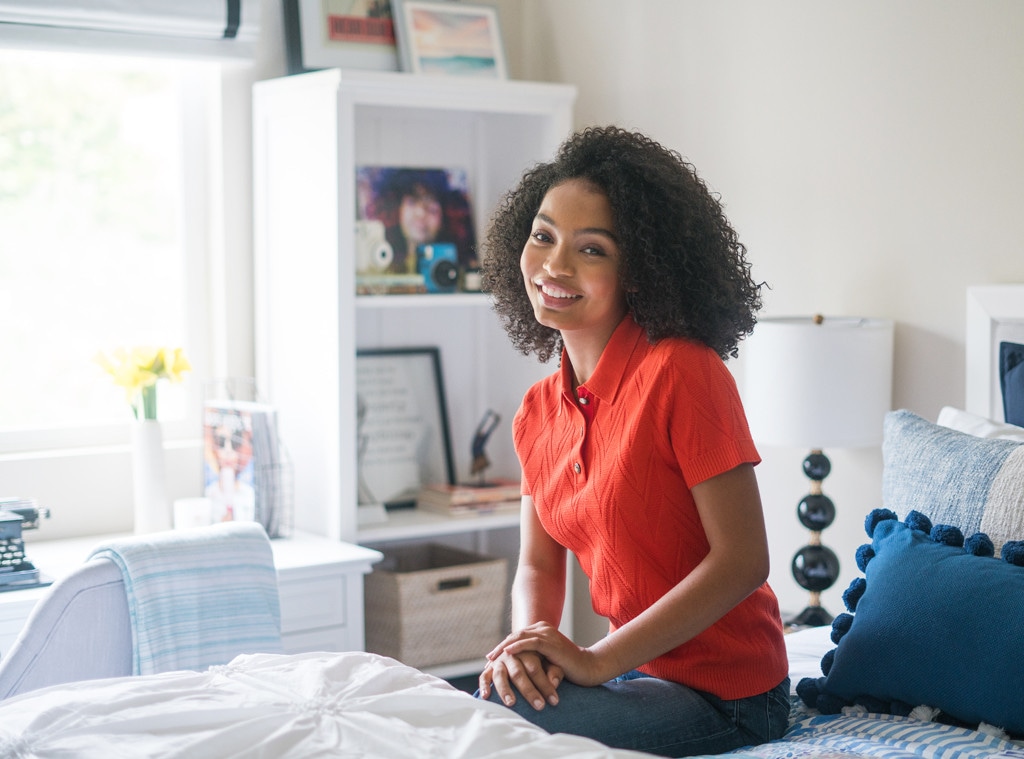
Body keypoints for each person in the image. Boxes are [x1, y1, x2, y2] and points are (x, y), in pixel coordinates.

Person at [476, 126, 789, 757]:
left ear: (640, 270)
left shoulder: (684, 373)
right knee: (496, 707)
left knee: (508, 735)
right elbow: (538, 564)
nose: (555, 265)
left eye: (592, 250)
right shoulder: (537, 413)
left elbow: (742, 561)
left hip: (730, 697)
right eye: (543, 236)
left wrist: (594, 661)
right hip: (638, 676)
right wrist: (527, 649)